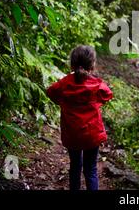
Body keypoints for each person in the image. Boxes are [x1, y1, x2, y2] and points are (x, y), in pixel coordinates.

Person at [46, 45, 113, 190]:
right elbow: (108, 94)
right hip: (92, 134)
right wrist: (96, 102)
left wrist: (62, 103)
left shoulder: (65, 83)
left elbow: (50, 92)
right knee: (91, 170)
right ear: (92, 65)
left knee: (75, 167)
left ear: (72, 64)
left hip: (72, 134)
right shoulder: (97, 83)